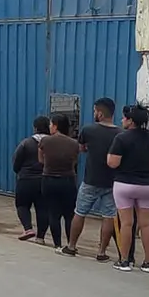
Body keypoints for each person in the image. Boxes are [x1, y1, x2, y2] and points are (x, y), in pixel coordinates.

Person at [63, 98, 120, 260]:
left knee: (80, 212)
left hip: (91, 179)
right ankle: (101, 252)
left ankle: (71, 246)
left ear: (100, 113)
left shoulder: (88, 130)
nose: (94, 114)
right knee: (108, 216)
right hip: (112, 181)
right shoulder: (120, 133)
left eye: (95, 111)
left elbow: (81, 148)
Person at [107, 103, 149, 272]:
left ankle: (124, 260)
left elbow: (112, 163)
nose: (122, 120)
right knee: (146, 223)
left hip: (125, 184)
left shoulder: (122, 138)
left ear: (130, 121)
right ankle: (148, 262)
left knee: (127, 223)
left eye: (124, 118)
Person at [38, 113, 79, 252]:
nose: (49, 127)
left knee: (53, 213)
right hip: (68, 180)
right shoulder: (74, 143)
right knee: (69, 215)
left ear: (55, 126)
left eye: (50, 124)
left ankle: (57, 244)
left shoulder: (45, 141)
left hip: (49, 179)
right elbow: (74, 162)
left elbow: (41, 160)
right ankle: (70, 244)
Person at [12, 116, 49, 242]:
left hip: (26, 179)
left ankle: (28, 228)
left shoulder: (26, 143)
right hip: (45, 180)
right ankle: (41, 237)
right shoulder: (53, 143)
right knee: (43, 208)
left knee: (22, 205)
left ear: (35, 128)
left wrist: (19, 171)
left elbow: (16, 161)